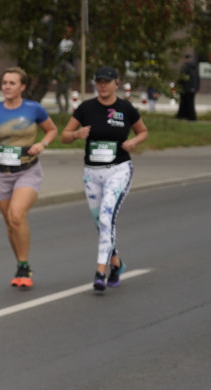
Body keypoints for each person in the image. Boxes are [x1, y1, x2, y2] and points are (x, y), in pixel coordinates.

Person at [60, 66, 148, 292]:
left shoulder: (125, 108)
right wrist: (76, 135)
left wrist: (133, 143)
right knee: (101, 223)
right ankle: (116, 264)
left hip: (118, 169)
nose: (102, 85)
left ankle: (100, 271)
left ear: (116, 83)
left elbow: (143, 131)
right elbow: (64, 136)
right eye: (99, 81)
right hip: (91, 173)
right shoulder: (86, 108)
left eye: (107, 81)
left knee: (107, 218)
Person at [0, 67, 58, 289]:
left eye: (11, 83)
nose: (6, 87)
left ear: (22, 87)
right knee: (10, 222)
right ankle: (21, 262)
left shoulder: (33, 108)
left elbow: (52, 130)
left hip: (27, 170)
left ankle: (24, 266)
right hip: (0, 172)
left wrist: (42, 144)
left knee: (16, 215)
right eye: (4, 82)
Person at [176, 53, 199, 120]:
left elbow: (182, 77)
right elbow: (197, 78)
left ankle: (184, 115)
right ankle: (189, 116)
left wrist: (178, 85)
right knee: (190, 103)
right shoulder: (194, 67)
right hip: (193, 88)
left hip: (185, 88)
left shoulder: (185, 67)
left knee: (185, 103)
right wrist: (197, 87)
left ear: (185, 59)